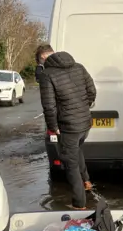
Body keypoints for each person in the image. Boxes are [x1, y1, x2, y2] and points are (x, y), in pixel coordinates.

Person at [36, 44, 97, 210]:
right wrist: (85, 107)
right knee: (77, 150)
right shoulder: (79, 67)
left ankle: (79, 203)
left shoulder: (47, 75)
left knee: (70, 164)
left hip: (68, 126)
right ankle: (87, 182)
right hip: (85, 123)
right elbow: (92, 91)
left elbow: (49, 106)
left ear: (42, 58)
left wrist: (53, 126)